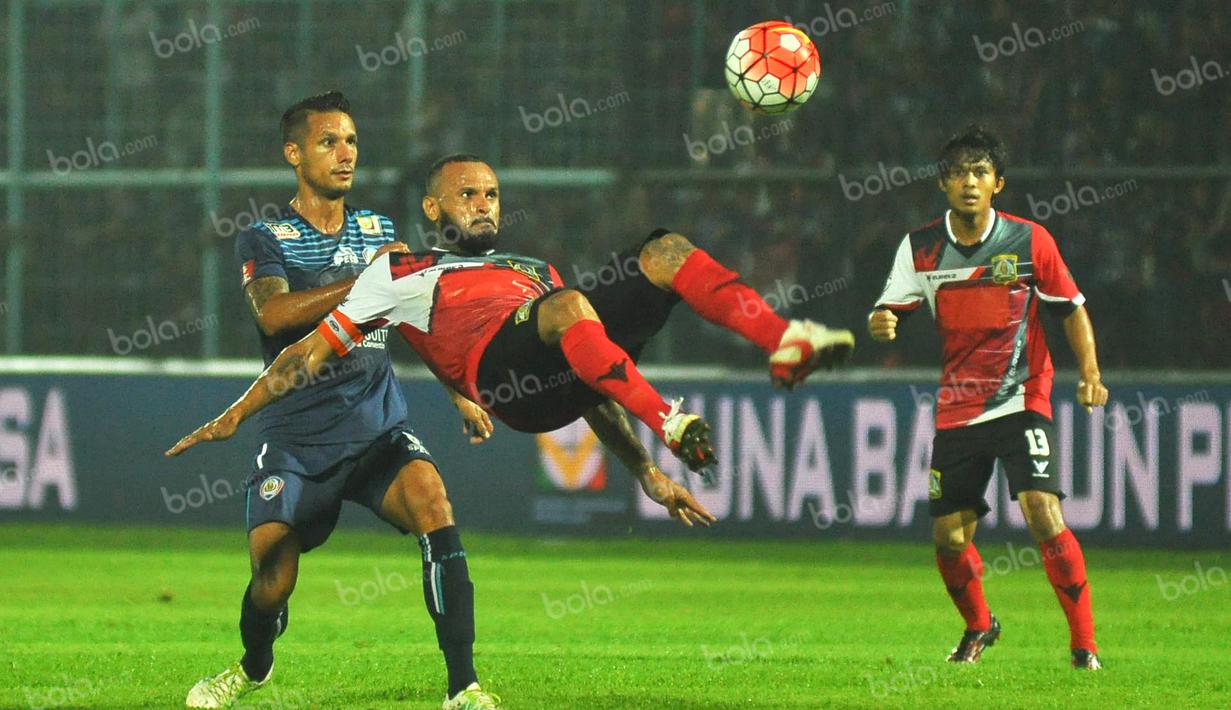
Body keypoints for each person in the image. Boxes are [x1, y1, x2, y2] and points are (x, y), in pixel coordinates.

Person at [167, 154, 855, 523]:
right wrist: (235, 414)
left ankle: (783, 338)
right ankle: (672, 419)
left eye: (492, 194)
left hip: (553, 354)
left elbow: (591, 379)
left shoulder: (533, 271)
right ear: (434, 208)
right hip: (506, 384)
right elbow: (305, 351)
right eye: (467, 195)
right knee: (566, 308)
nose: (483, 204)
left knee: (664, 250)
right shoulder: (401, 269)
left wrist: (643, 470)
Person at [177, 94, 500, 709]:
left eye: (351, 140)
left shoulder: (380, 230)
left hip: (378, 428)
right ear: (293, 154)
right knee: (271, 582)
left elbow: (413, 320)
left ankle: (464, 686)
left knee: (434, 504)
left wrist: (460, 393)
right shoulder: (266, 237)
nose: (345, 152)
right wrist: (366, 282)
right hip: (296, 441)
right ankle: (253, 665)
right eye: (328, 142)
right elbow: (273, 315)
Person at [867, 125, 1108, 670]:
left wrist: (1090, 372)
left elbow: (1069, 307)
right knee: (949, 538)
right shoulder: (921, 248)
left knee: (1041, 511)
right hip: (957, 406)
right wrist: (881, 321)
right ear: (943, 184)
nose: (969, 182)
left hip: (1023, 395)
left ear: (998, 182)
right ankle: (979, 625)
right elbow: (890, 308)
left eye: (980, 172)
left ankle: (1084, 645)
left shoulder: (1030, 240)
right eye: (958, 172)